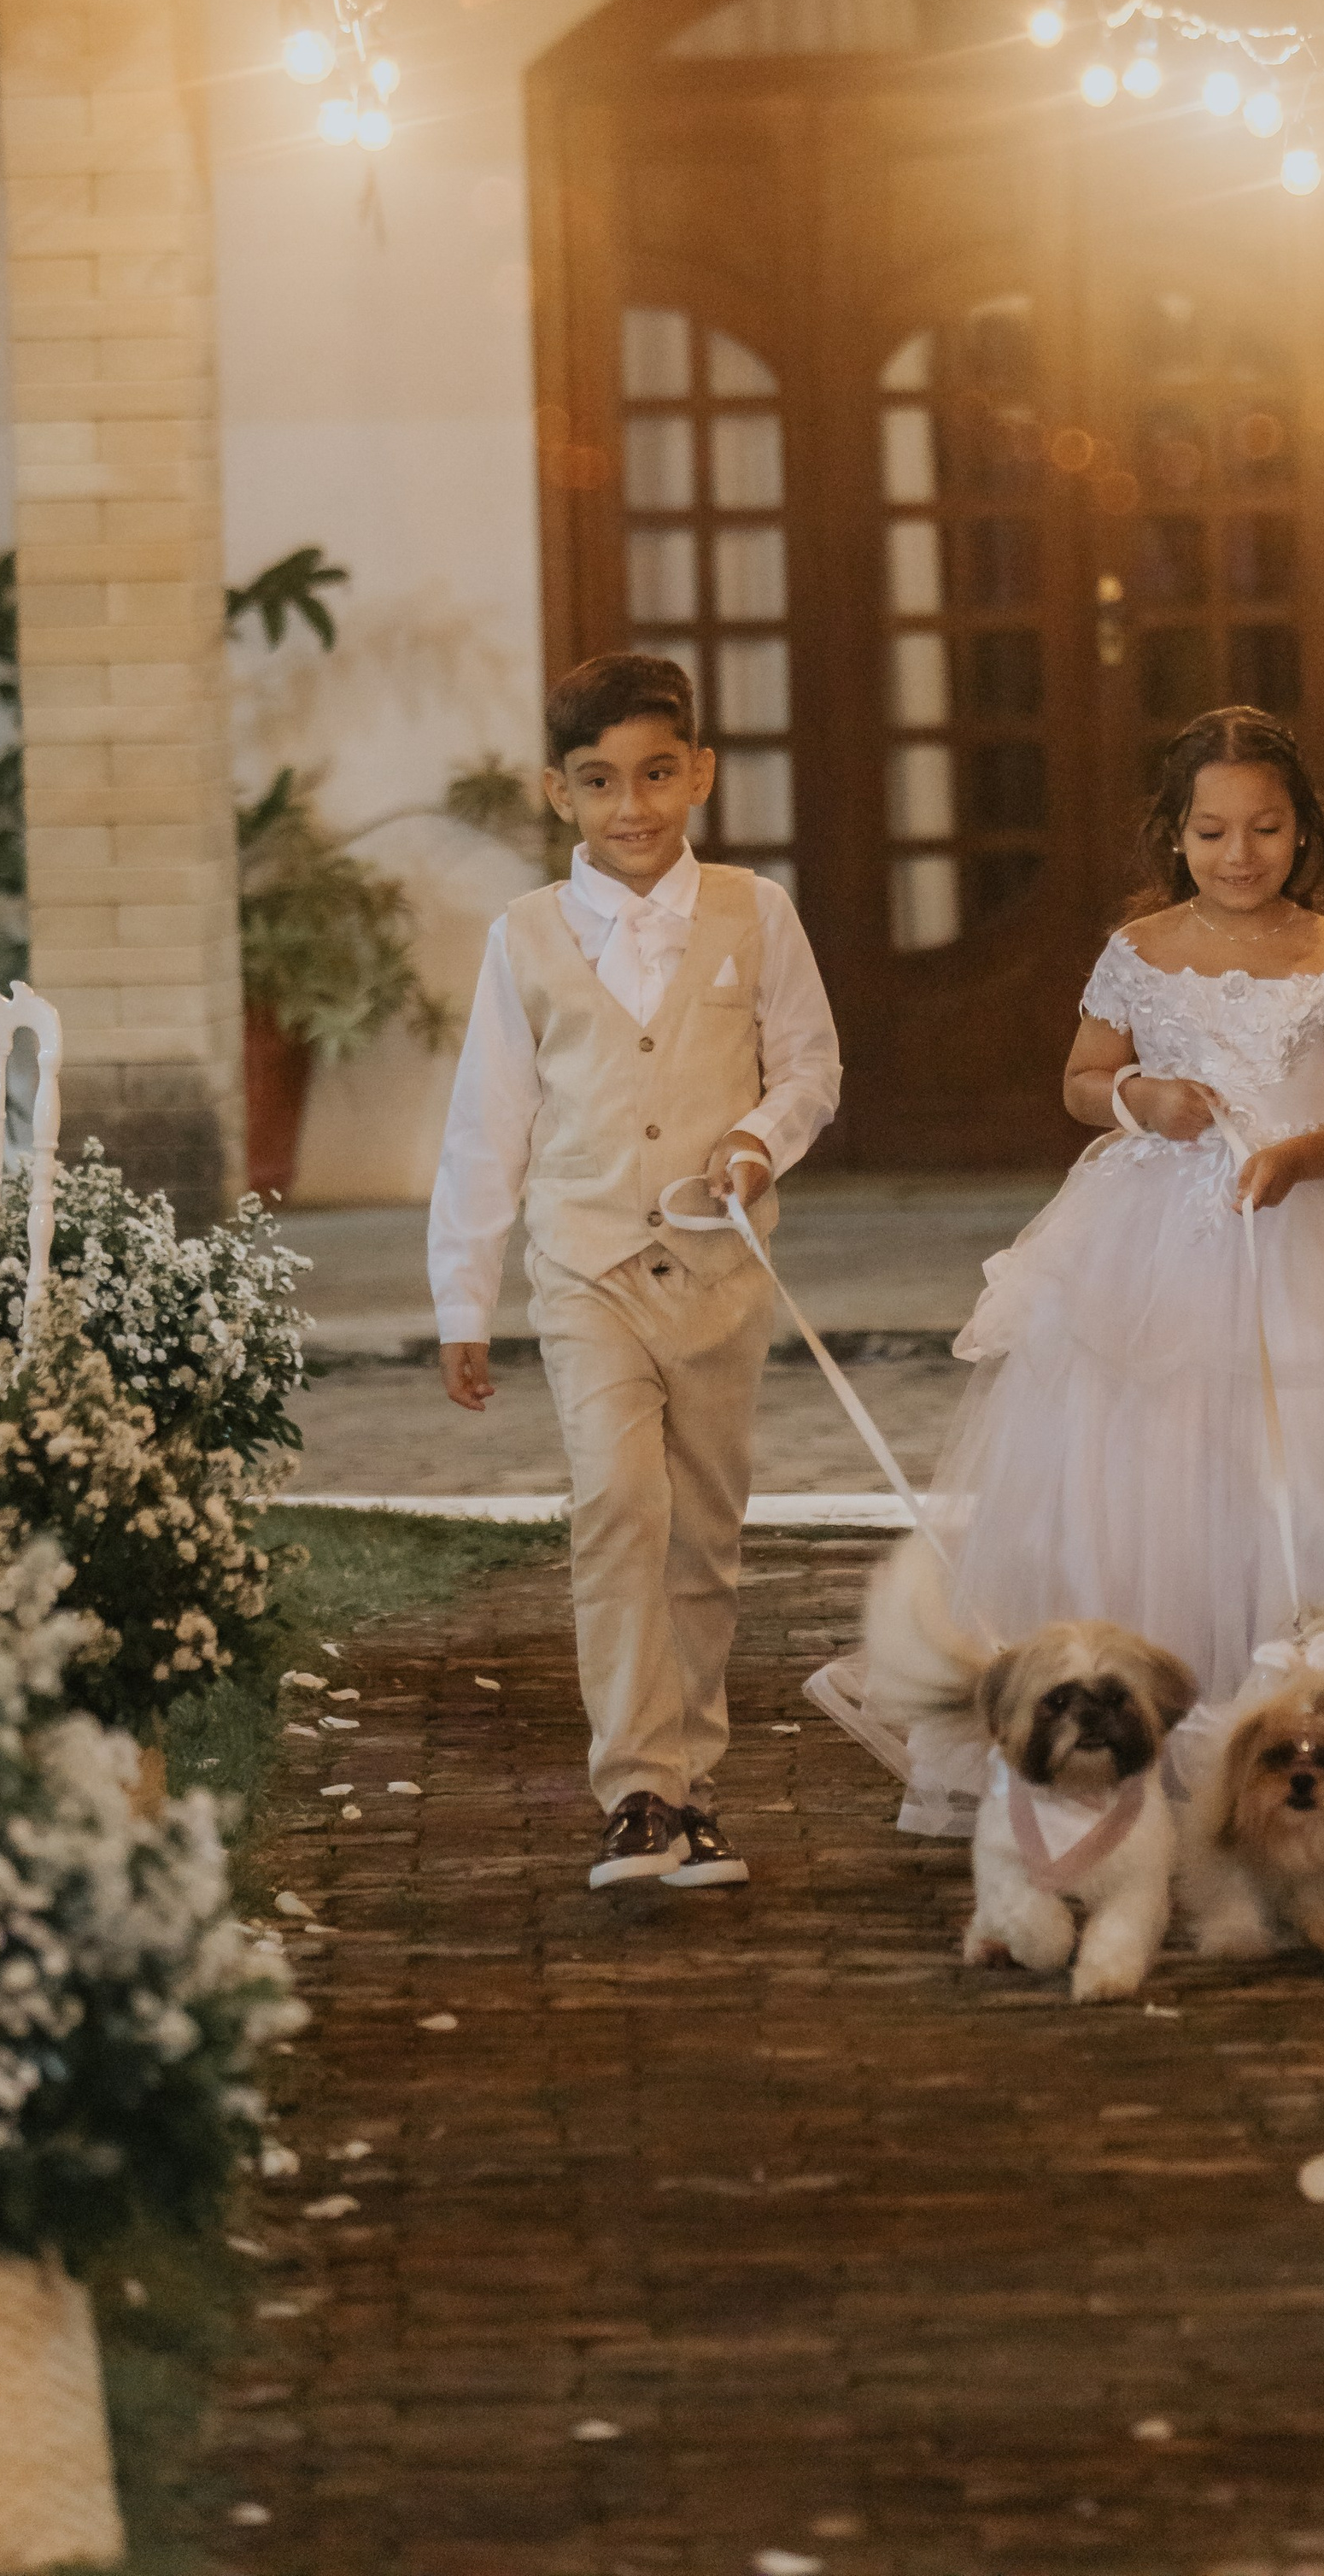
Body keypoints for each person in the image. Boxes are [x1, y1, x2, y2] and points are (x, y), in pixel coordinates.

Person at [808, 705, 1324, 1834]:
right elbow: (1083, 1079)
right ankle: (1140, 1724)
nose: (1240, 855)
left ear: (1301, 830)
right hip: (1155, 1239)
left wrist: (1294, 1155)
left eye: (1265, 829)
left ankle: (1322, 1726)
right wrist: (1142, 1100)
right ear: (1176, 835)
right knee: (1149, 1466)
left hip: (1308, 1229)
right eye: (1214, 831)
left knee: (1323, 1468)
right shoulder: (1138, 955)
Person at [429, 649, 841, 1892]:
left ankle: (693, 1784)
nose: (634, 808)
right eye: (601, 781)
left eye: (658, 775)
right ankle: (637, 1792)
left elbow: (810, 1068)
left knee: (702, 1537)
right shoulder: (526, 938)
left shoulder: (756, 914)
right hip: (585, 1262)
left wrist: (760, 1146)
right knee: (620, 1506)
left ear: (700, 774)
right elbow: (487, 1120)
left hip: (717, 1271)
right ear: (558, 793)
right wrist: (466, 1294)